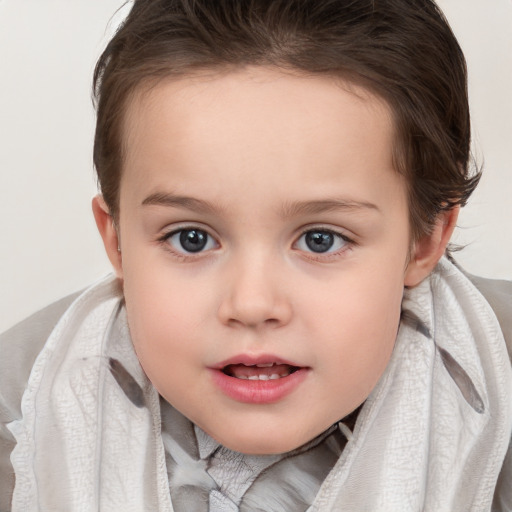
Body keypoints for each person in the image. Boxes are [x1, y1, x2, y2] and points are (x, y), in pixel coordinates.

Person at [1, 0, 511, 510]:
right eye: (191, 238)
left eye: (320, 240)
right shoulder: (22, 413)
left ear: (425, 238)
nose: (251, 303)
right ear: (116, 241)